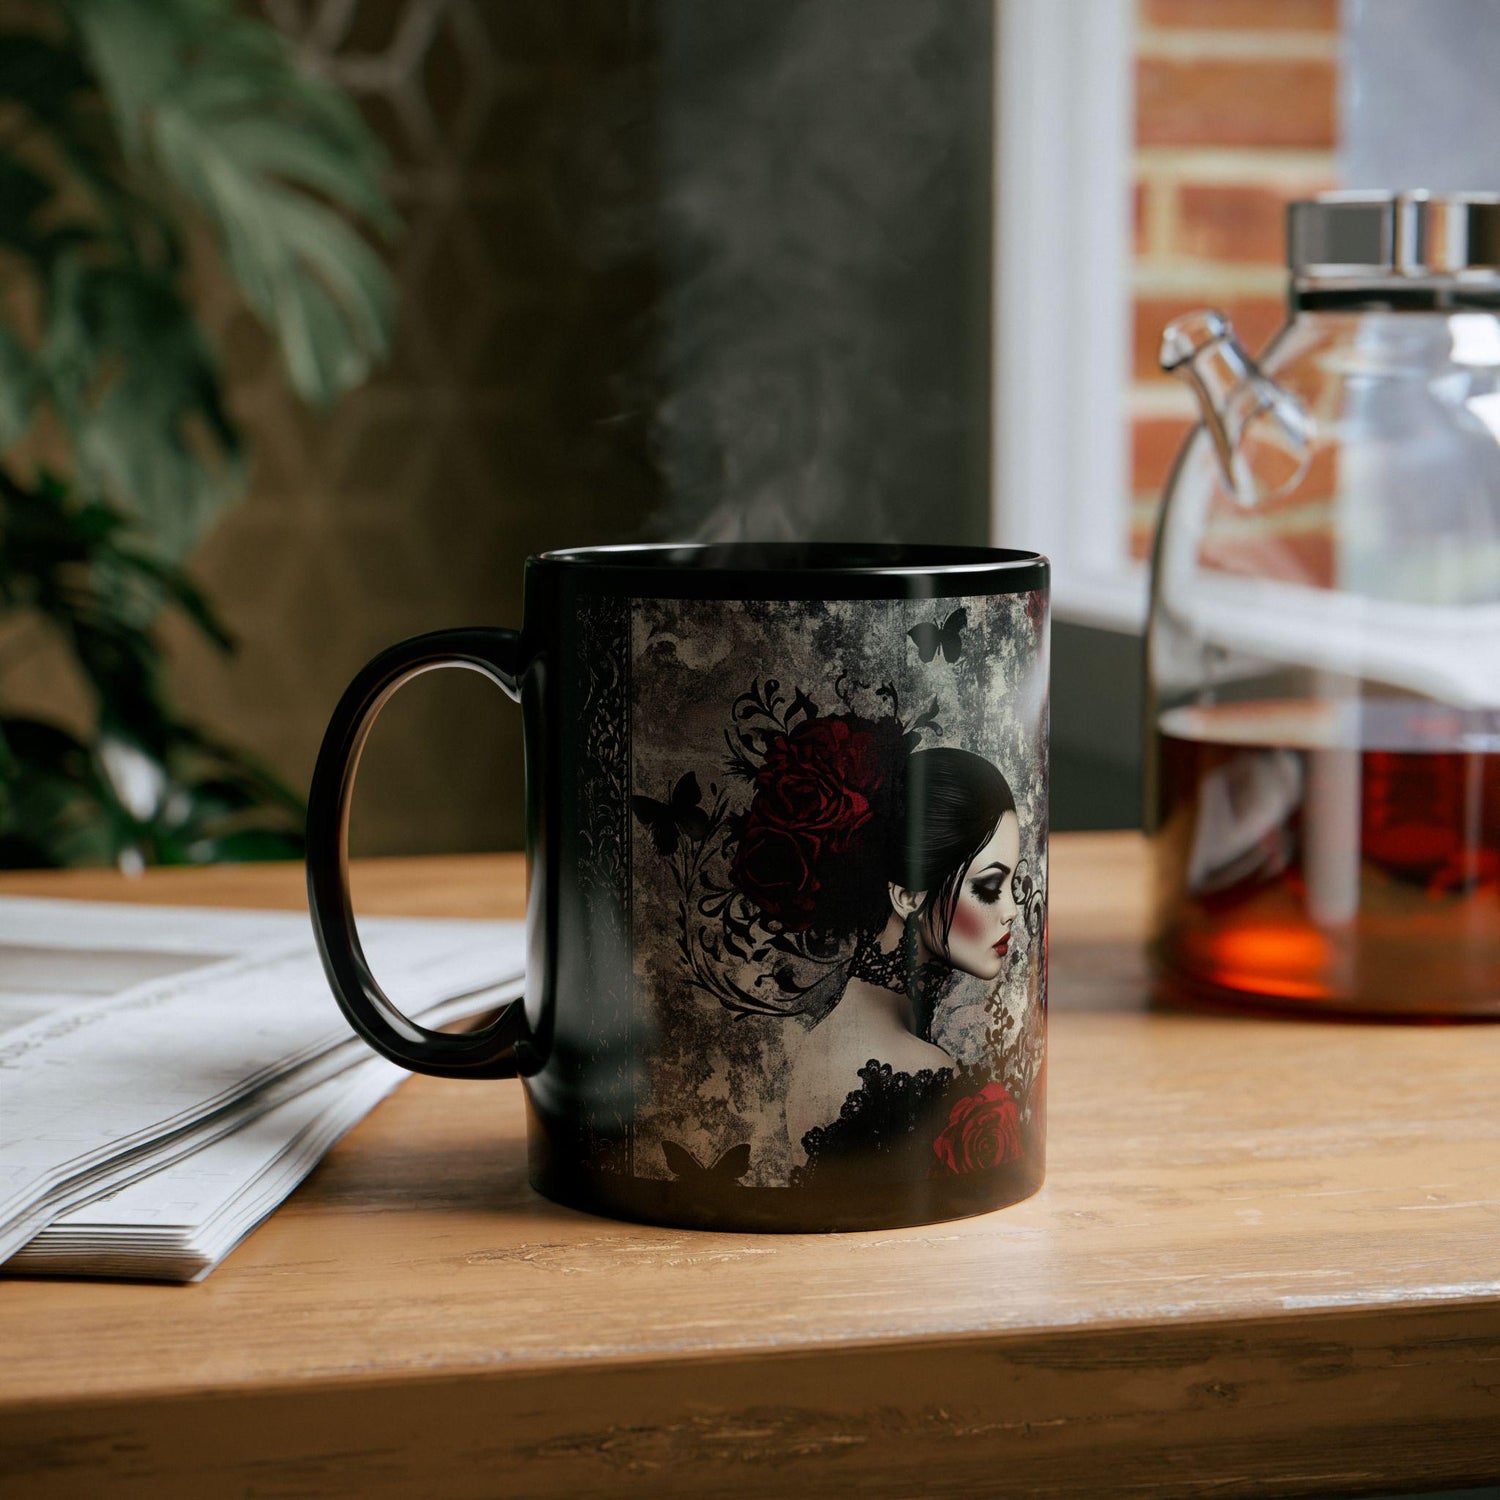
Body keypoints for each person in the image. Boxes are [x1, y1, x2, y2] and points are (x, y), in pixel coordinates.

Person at [730, 717, 1022, 1160]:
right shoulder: (922, 1071)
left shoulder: (829, 1037)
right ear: (907, 897)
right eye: (988, 887)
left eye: (1013, 883)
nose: (1012, 909)